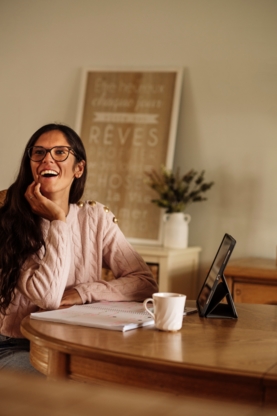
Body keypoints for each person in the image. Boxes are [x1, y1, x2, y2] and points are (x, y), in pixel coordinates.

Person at [0, 123, 158, 374]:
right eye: (38, 152)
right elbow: (48, 297)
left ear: (78, 168)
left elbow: (144, 283)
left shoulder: (96, 218)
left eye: (60, 152)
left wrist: (83, 292)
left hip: (79, 342)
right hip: (17, 346)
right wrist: (58, 221)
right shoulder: (10, 220)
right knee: (62, 392)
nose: (47, 159)